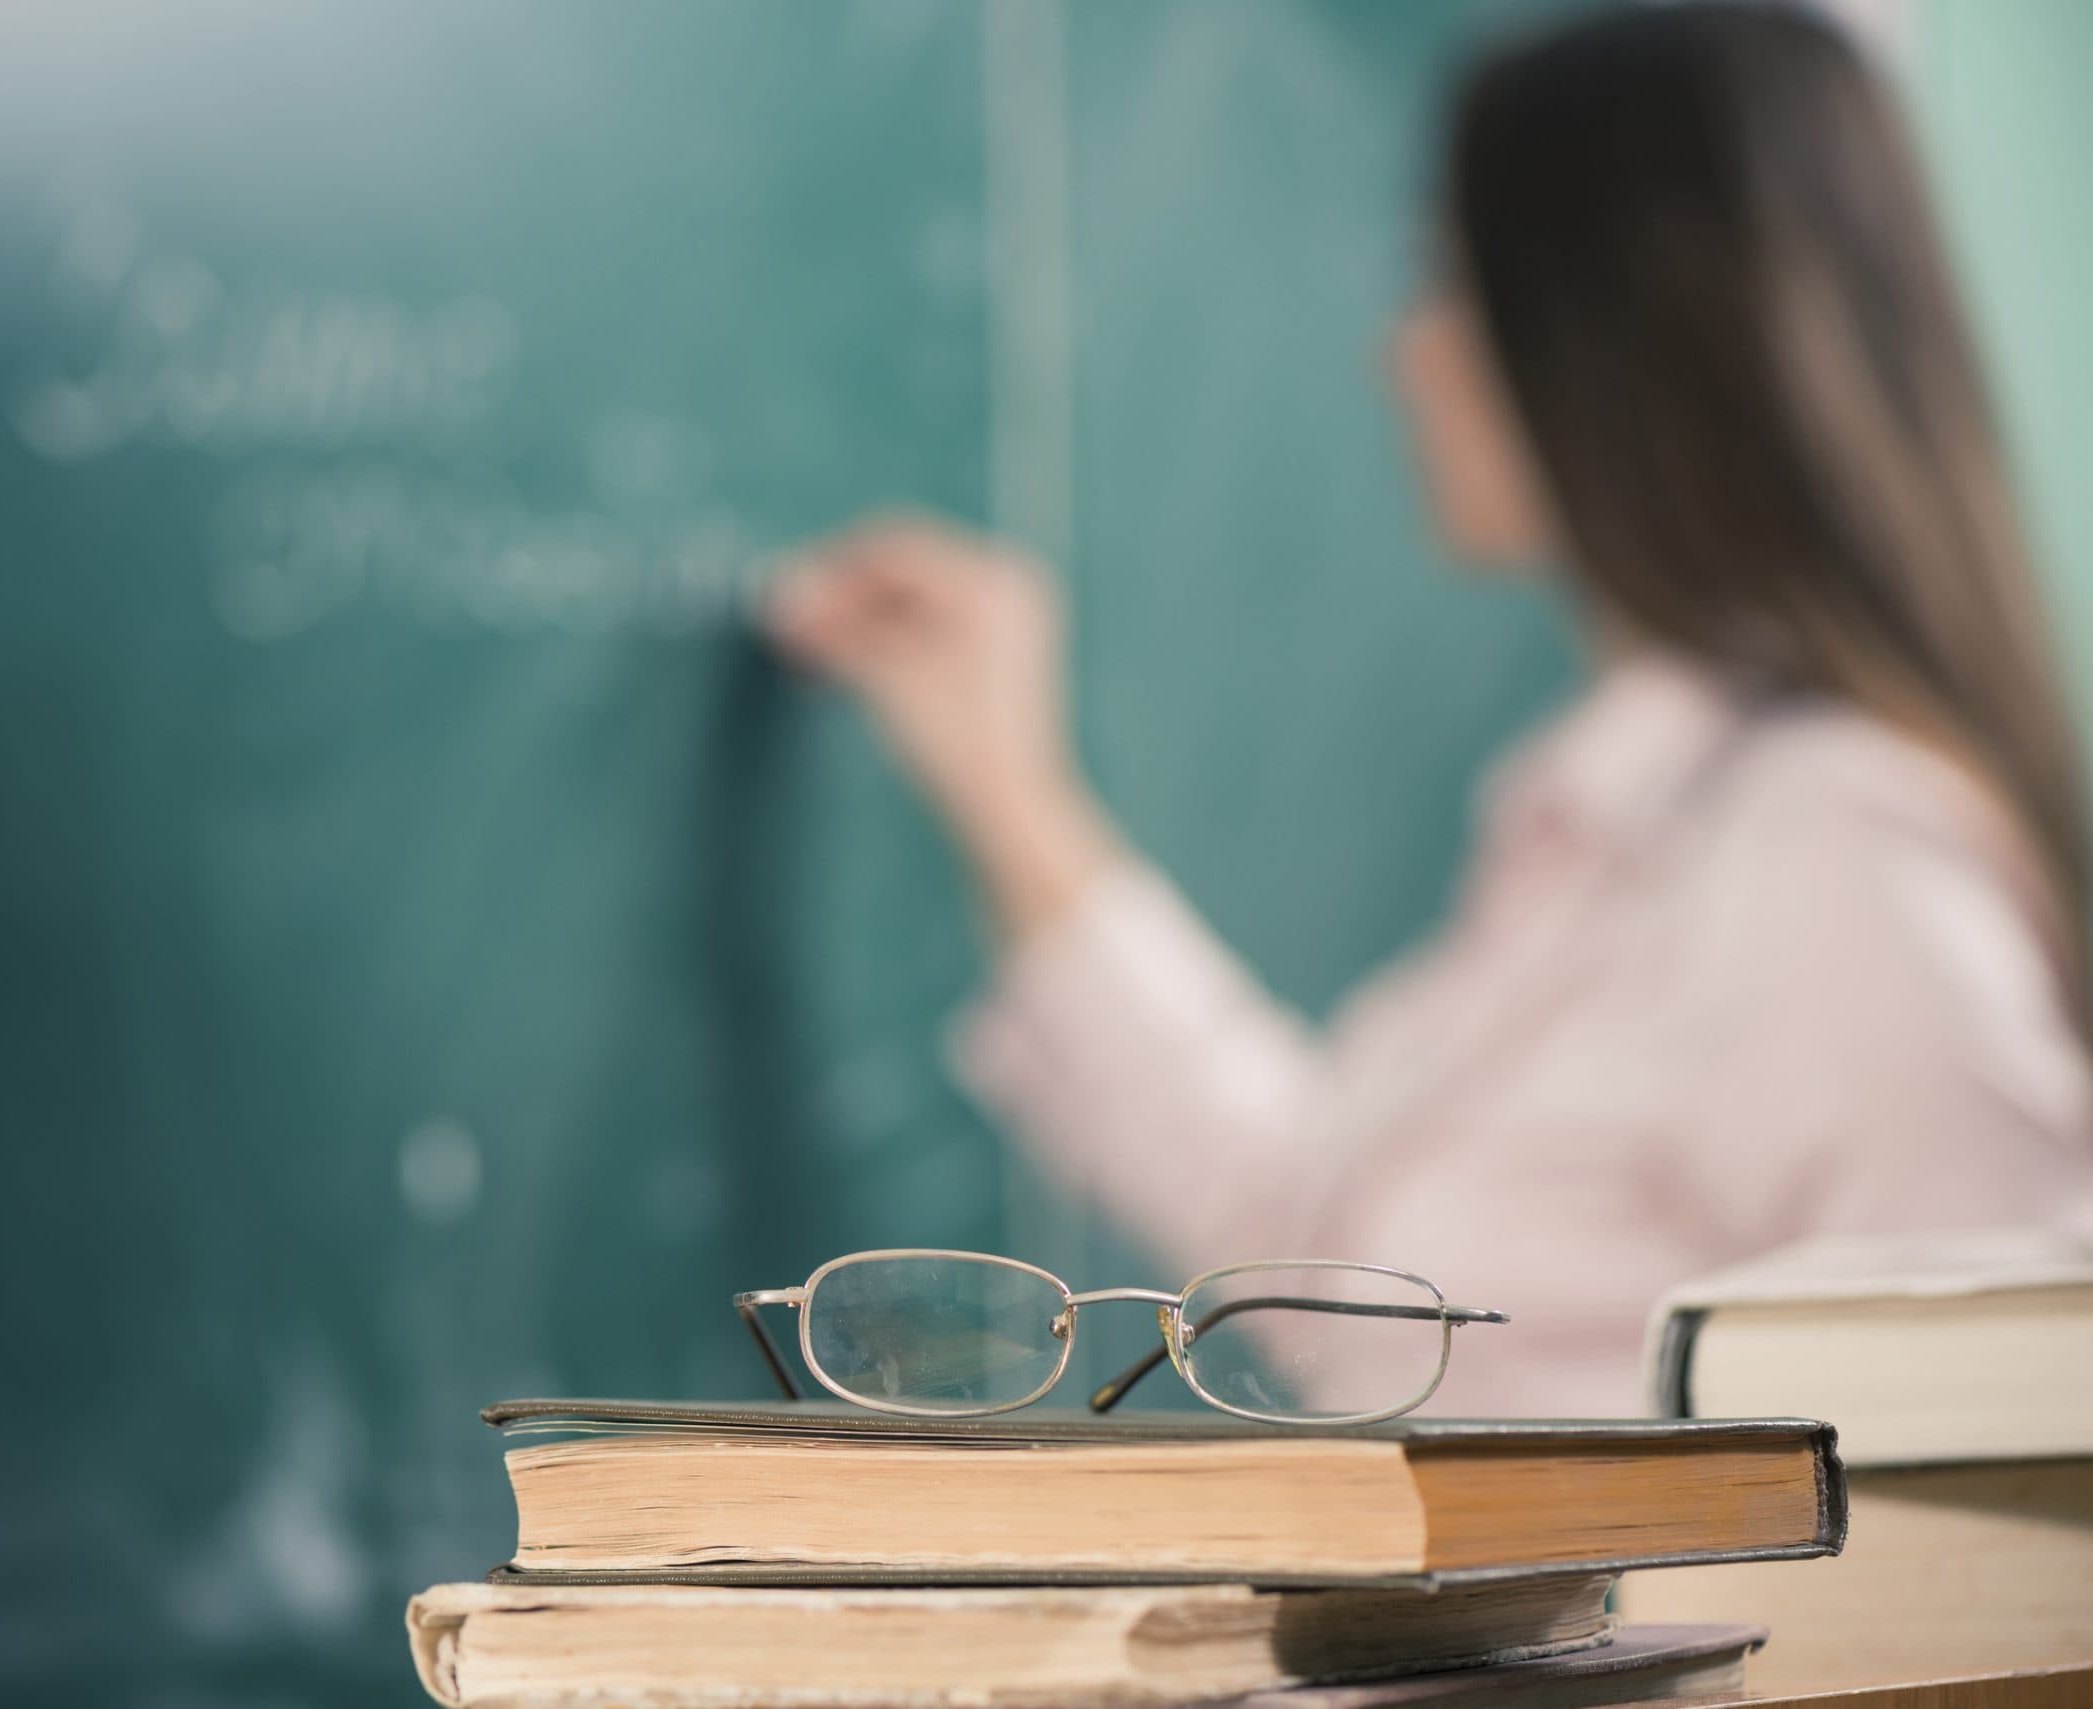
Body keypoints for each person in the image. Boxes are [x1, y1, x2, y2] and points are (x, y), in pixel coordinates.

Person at [763, 2, 2093, 1417]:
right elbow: (1328, 1260)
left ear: (1612, 331)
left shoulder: (1841, 862)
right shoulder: (1631, 819)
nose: (1403, 351)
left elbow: (1988, 1452)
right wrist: (1009, 796)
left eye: (1446, 281)